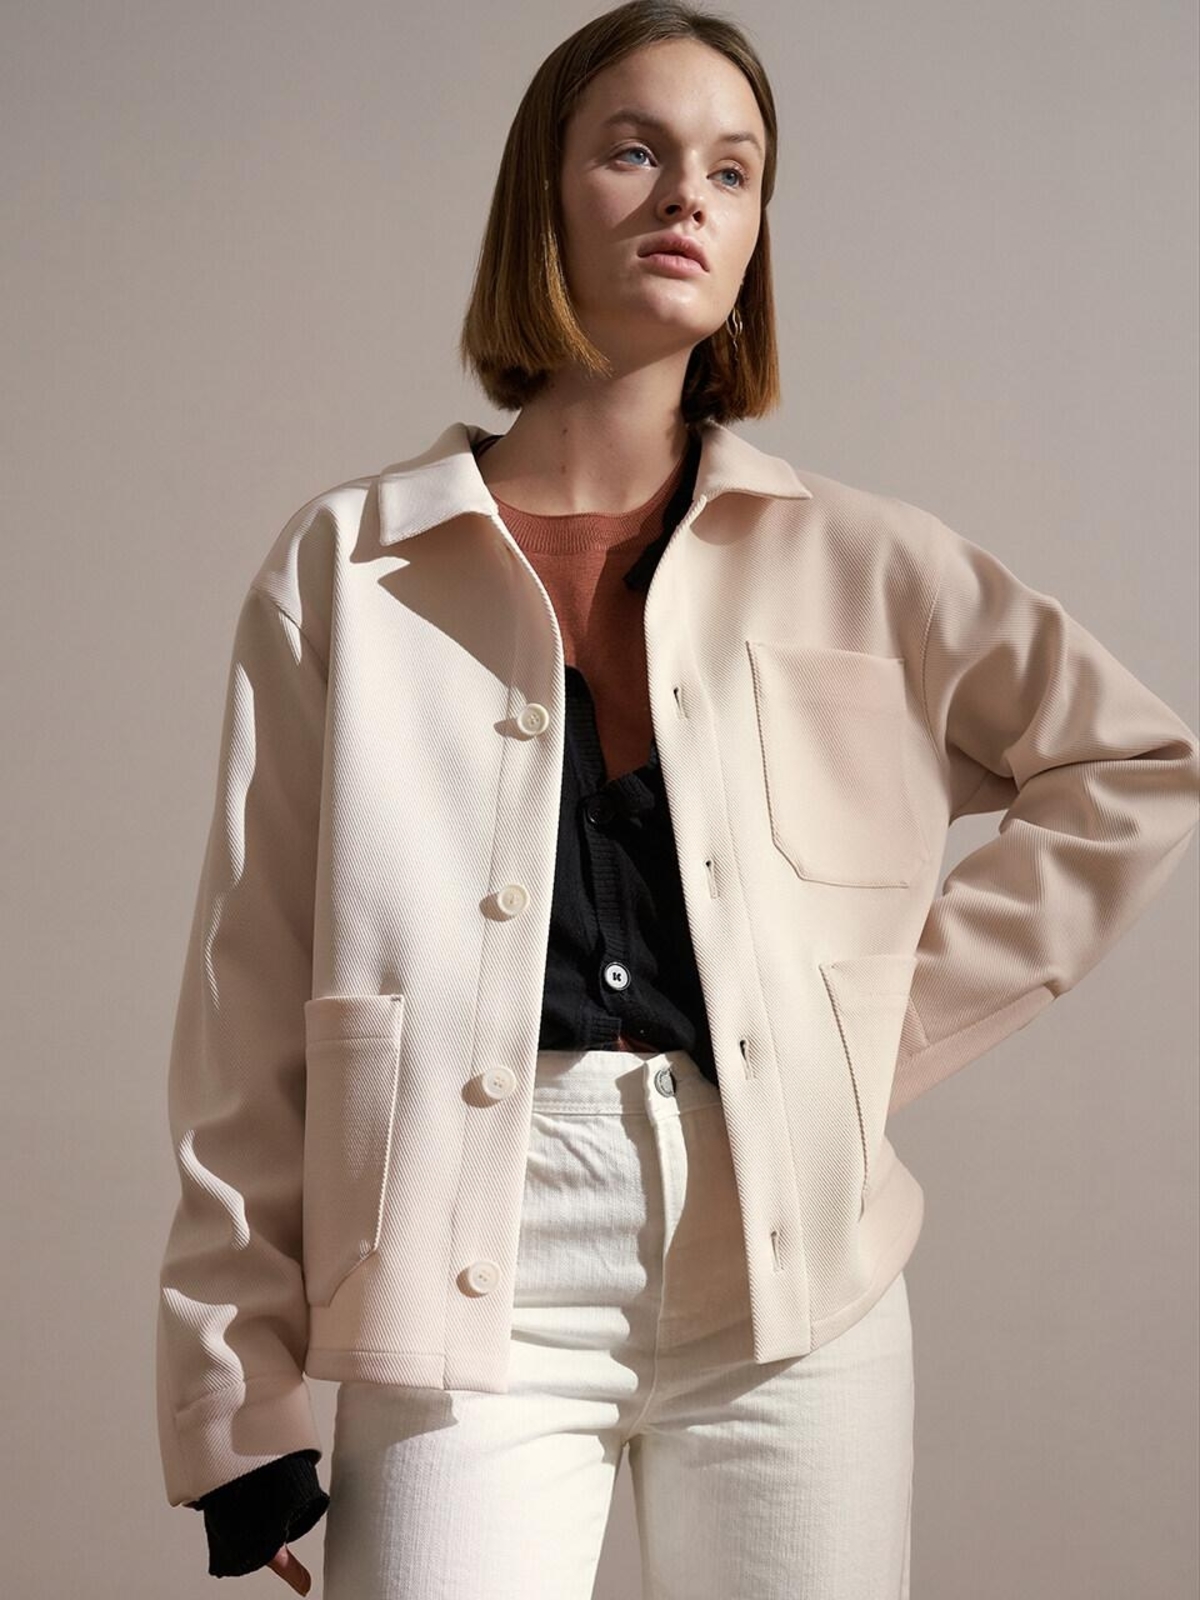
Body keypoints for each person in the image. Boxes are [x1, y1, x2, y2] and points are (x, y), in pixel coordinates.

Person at [154, 2, 1200, 1595]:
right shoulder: (348, 568)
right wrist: (237, 1390)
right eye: (634, 152)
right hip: (457, 1268)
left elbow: (1132, 767)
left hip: (795, 1278)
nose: (684, 200)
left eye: (731, 169)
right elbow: (248, 994)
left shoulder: (863, 558)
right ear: (545, 192)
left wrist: (856, 1034)